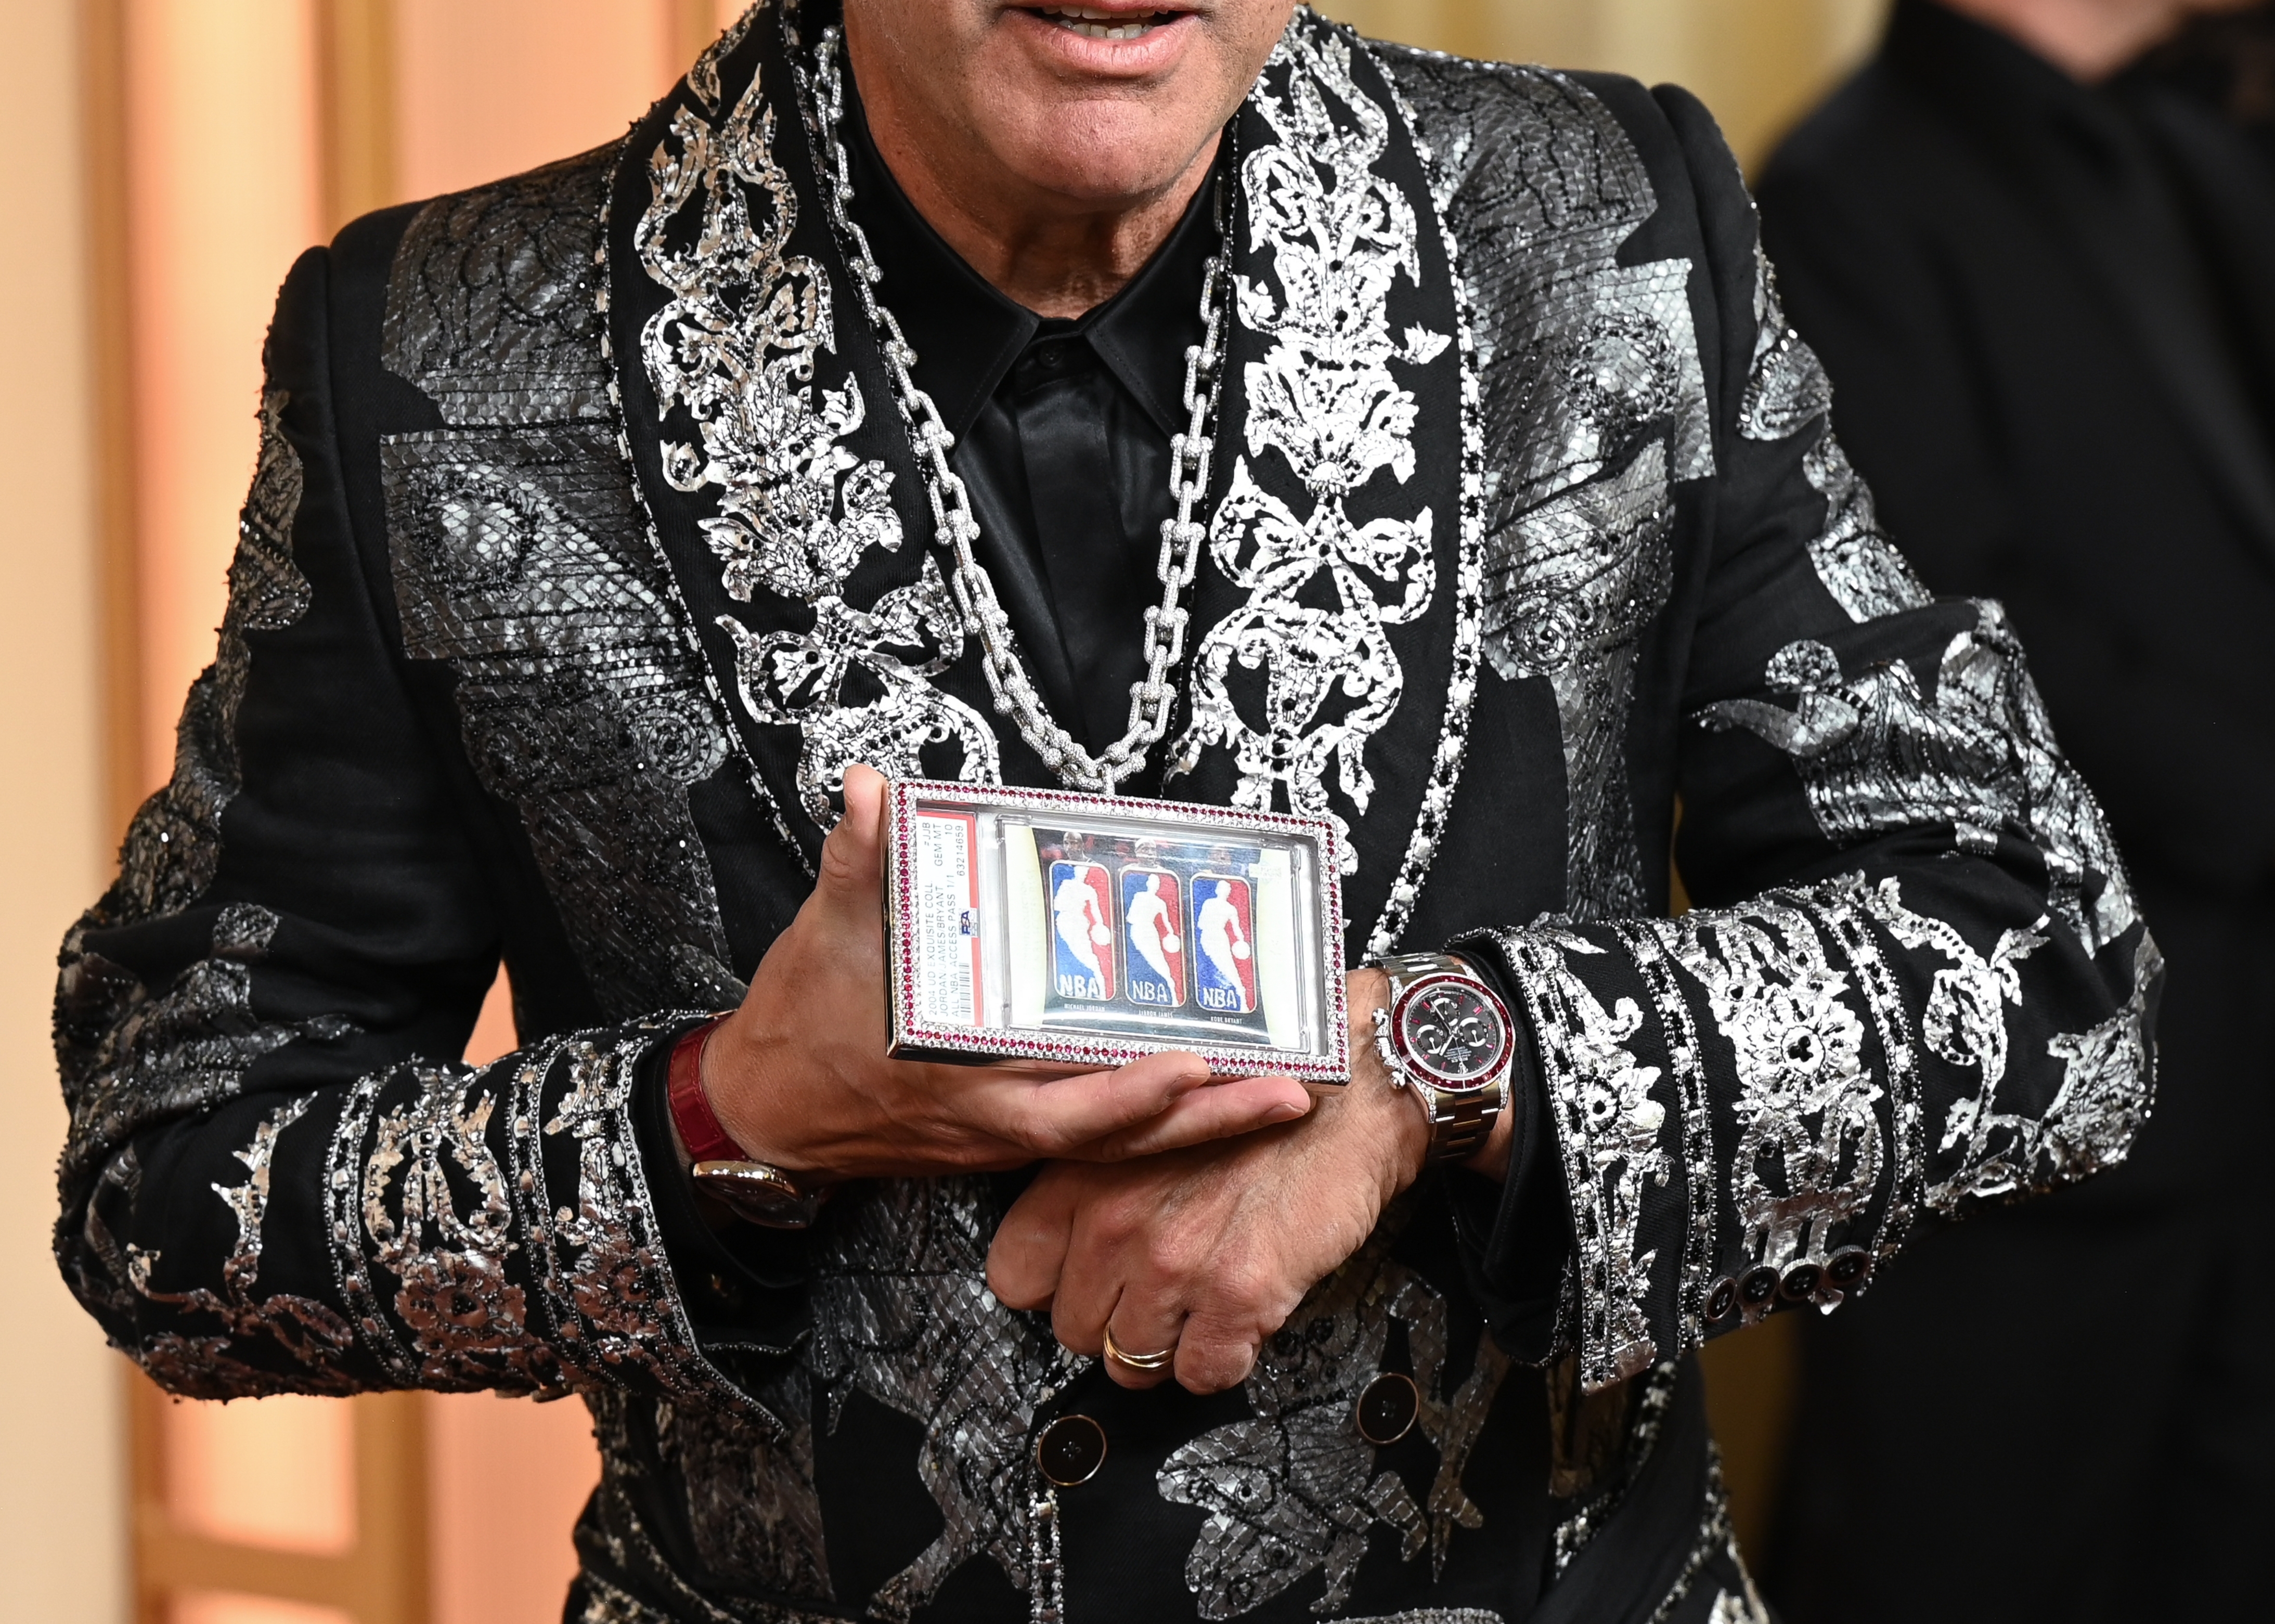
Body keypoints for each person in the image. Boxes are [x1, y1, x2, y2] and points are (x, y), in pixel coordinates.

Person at [55, 3, 2157, 1621]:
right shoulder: (433, 356)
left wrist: (1432, 1065)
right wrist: (729, 1113)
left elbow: (2040, 959)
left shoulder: (1608, 236)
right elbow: (171, 1183)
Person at [1753, 0, 2275, 1618]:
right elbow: (1945, 636)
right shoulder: (1841, 194)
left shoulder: (2203, 156)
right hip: (2036, 1128)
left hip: (2250, 1092)